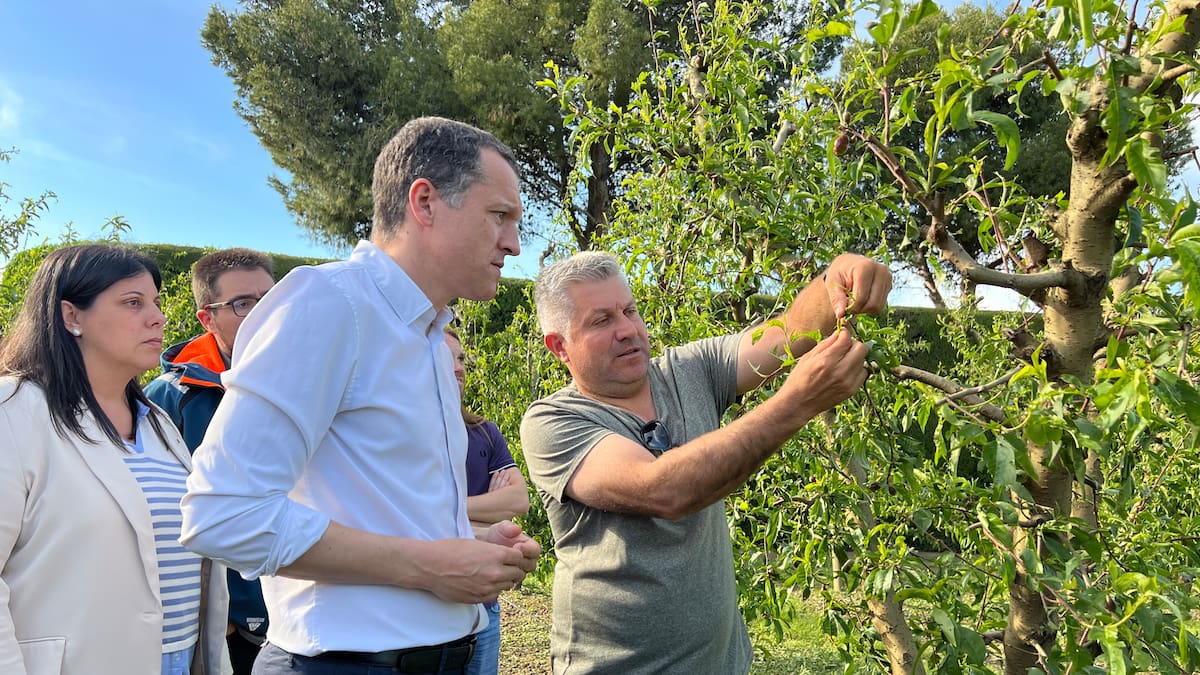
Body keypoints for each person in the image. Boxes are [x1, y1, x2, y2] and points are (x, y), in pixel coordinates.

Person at [179, 116, 541, 675]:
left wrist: (466, 539)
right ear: (424, 203)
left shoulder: (426, 335)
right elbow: (222, 512)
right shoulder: (328, 305)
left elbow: (370, 499)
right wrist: (428, 565)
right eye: (500, 216)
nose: (514, 244)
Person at [521, 250, 892, 674]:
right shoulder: (553, 422)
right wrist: (796, 402)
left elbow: (789, 332)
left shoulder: (689, 370)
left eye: (630, 310)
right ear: (559, 347)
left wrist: (835, 280)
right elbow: (663, 488)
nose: (628, 329)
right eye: (602, 320)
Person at [0, 244, 229, 675]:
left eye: (156, 303)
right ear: (72, 317)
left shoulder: (158, 423)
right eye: (132, 303)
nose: (158, 318)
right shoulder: (13, 412)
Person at [145, 248, 276, 674]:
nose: (260, 314)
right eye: (242, 304)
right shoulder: (171, 397)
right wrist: (217, 615)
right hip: (224, 621)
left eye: (269, 300)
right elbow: (162, 516)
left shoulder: (307, 381)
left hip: (301, 604)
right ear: (207, 318)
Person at [444, 328, 530, 675]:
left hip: (487, 605)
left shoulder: (484, 432)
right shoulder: (408, 436)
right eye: (445, 357)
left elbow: (519, 500)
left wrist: (445, 509)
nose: (459, 367)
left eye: (461, 358)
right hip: (434, 601)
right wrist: (485, 515)